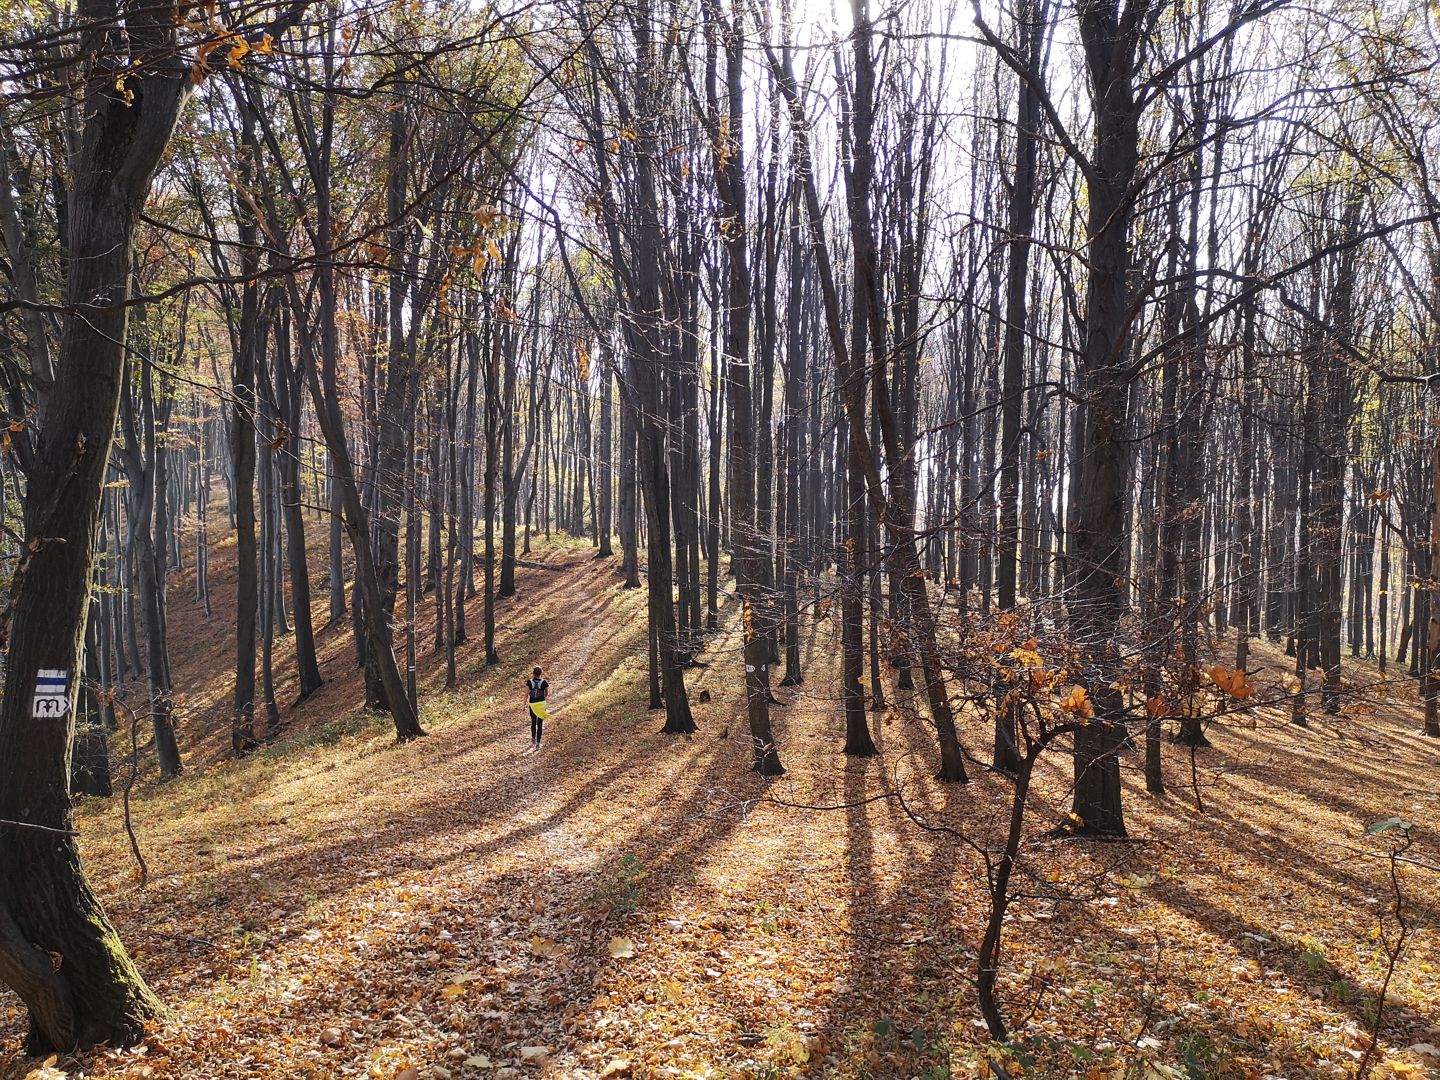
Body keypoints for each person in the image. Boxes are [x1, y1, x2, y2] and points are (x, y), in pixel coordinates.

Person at [525, 666, 549, 750]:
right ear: (541, 673)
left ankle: (533, 738)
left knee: (533, 721)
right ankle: (538, 743)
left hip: (532, 704)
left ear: (533, 673)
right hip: (541, 704)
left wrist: (524, 704)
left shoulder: (529, 682)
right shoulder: (544, 682)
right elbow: (546, 693)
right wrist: (542, 698)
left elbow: (526, 693)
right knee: (540, 723)